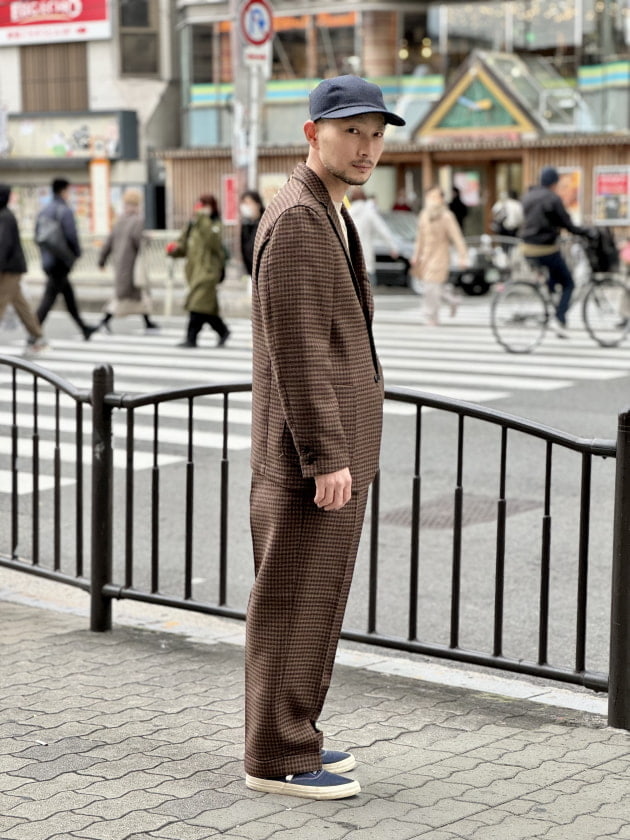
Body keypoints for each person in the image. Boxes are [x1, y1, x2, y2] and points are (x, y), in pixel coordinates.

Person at [245, 75, 405, 801]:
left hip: (323, 456)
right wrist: (325, 455)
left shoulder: (325, 209)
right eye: (351, 133)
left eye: (376, 134)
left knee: (312, 600)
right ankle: (278, 755)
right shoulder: (302, 219)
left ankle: (294, 733)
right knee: (293, 600)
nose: (367, 148)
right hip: (309, 461)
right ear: (313, 134)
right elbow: (300, 348)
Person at [520, 166, 593, 338]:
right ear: (554, 182)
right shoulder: (552, 198)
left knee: (554, 275)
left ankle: (552, 296)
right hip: (544, 247)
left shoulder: (528, 197)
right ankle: (559, 319)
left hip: (526, 247)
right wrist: (585, 232)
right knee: (569, 283)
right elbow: (566, 223)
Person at [34, 178, 97, 340]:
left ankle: (83, 328)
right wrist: (76, 254)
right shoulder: (64, 210)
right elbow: (71, 235)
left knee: (68, 295)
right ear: (63, 191)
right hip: (61, 262)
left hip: (49, 260)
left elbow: (37, 236)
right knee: (49, 299)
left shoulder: (45, 210)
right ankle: (33, 331)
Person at [167, 194, 230, 348]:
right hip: (194, 272)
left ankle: (191, 338)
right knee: (206, 307)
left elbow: (213, 242)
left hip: (209, 272)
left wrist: (203, 219)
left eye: (204, 206)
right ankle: (222, 331)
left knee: (196, 304)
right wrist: (173, 249)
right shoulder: (192, 225)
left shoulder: (215, 224)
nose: (200, 210)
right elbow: (183, 245)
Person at [97, 189, 159, 333]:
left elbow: (109, 242)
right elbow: (138, 241)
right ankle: (105, 320)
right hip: (132, 265)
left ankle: (148, 322)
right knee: (128, 296)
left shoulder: (119, 221)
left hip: (120, 265)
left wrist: (102, 260)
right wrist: (147, 238)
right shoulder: (137, 220)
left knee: (135, 296)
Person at [0, 183, 49, 356]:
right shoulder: (6, 215)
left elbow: (3, 244)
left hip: (8, 270)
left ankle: (38, 337)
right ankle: (38, 337)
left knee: (2, 302)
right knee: (20, 304)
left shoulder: (4, 217)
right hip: (12, 268)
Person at [411, 185, 468, 326]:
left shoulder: (447, 216)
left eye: (436, 197)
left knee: (431, 286)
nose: (432, 200)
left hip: (440, 255)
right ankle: (452, 300)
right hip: (426, 256)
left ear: (442, 199)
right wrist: (416, 255)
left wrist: (463, 256)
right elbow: (420, 238)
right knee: (431, 286)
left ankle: (431, 315)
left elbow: (457, 237)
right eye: (430, 197)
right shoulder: (424, 215)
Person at [347, 185, 399, 285]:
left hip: (349, 260)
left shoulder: (347, 213)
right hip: (365, 259)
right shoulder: (369, 213)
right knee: (368, 292)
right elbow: (383, 230)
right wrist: (393, 247)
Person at [239, 190, 265, 277]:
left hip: (263, 272)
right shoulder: (246, 224)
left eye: (249, 203)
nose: (245, 206)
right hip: (251, 272)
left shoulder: (265, 222)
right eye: (244, 203)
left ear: (258, 204)